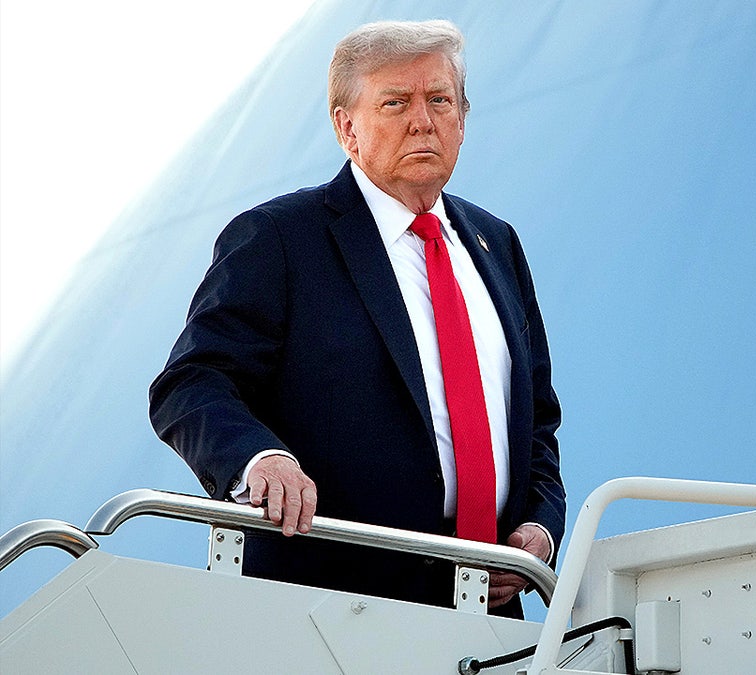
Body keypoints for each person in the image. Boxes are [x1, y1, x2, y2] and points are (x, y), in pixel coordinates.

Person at [149, 19, 564, 616]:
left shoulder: (498, 246)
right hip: (331, 605)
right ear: (347, 127)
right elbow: (191, 383)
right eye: (395, 102)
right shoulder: (280, 239)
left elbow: (538, 423)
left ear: (463, 118)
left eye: (439, 100)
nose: (422, 120)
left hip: (489, 611)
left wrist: (539, 527)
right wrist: (259, 460)